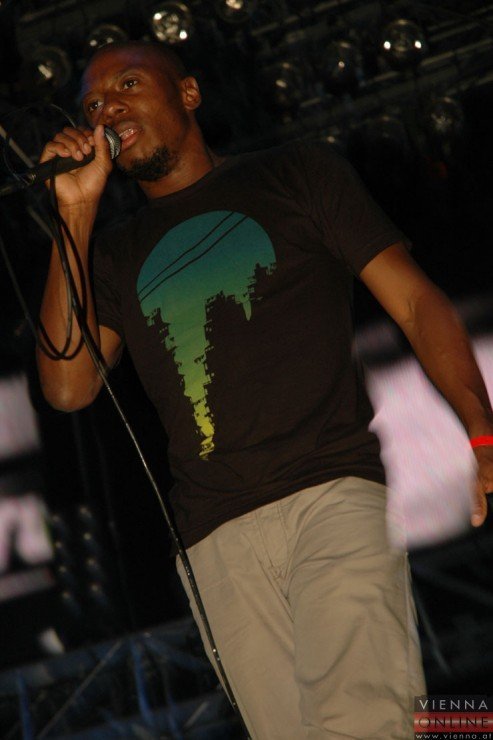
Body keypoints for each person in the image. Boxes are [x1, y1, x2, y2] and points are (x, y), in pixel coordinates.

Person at [37, 40, 493, 739]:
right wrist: (73, 213)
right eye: (93, 103)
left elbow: (414, 304)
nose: (108, 109)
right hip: (214, 538)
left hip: (329, 493)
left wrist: (479, 427)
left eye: (128, 84)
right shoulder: (114, 254)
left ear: (188, 93)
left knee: (362, 722)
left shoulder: (296, 174)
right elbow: (68, 387)